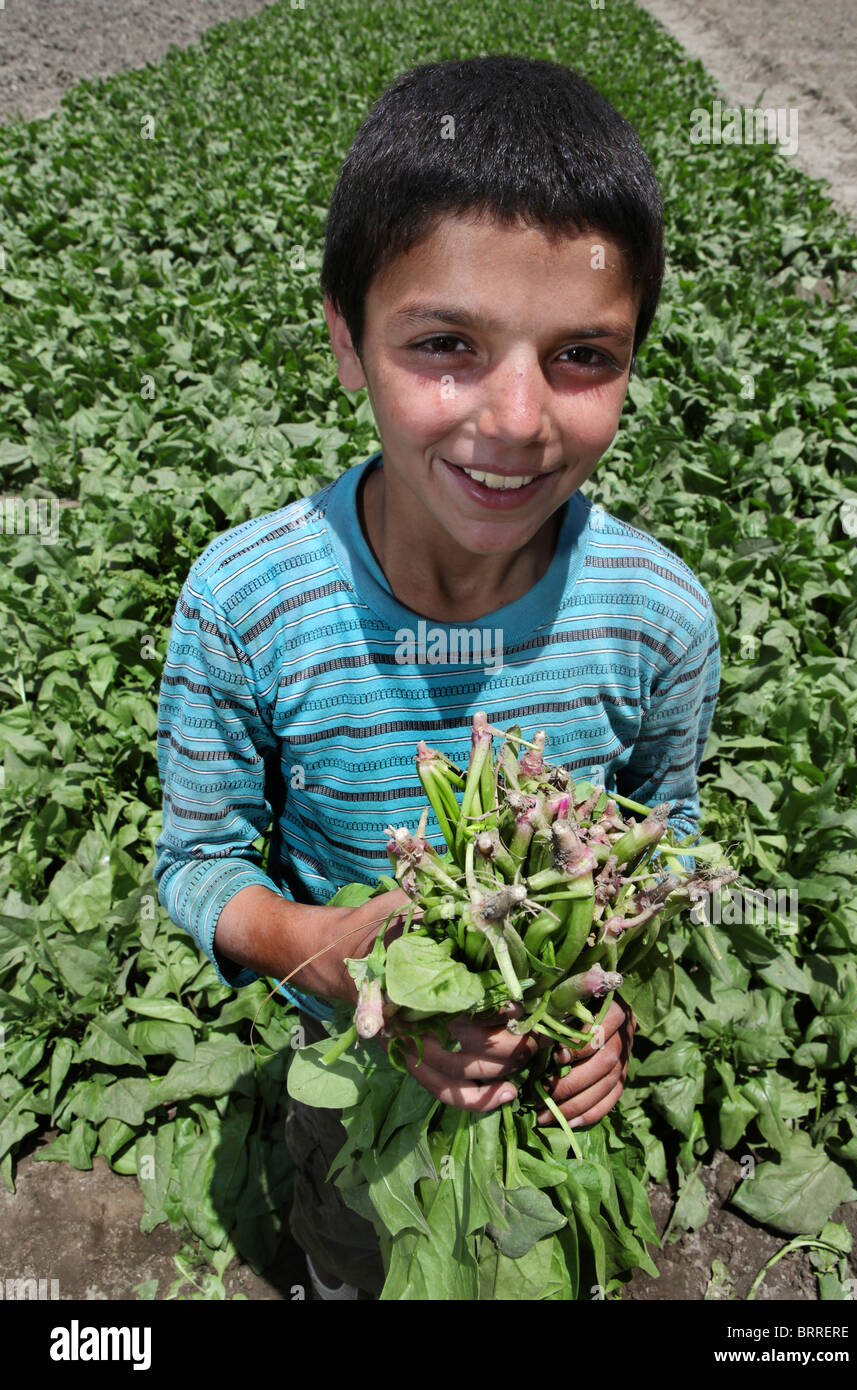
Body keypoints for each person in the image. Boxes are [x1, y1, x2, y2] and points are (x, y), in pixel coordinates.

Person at [154, 54, 720, 1300]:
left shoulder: (658, 618)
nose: (514, 418)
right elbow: (197, 866)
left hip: (551, 1114)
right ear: (346, 338)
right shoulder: (251, 605)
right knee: (362, 1258)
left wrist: (604, 1003)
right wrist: (326, 955)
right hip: (347, 1095)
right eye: (445, 344)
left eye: (581, 355)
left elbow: (662, 841)